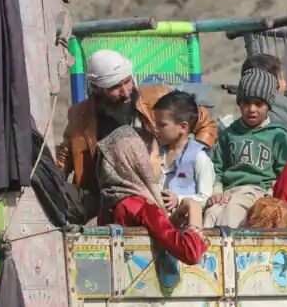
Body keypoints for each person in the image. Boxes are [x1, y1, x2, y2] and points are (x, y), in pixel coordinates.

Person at [56, 50, 218, 199]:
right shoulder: (80, 116)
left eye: (127, 82)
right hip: (103, 195)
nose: (126, 92)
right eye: (115, 87)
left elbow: (206, 124)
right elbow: (65, 157)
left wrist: (186, 159)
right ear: (97, 89)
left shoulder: (158, 97)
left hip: (154, 190)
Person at [95, 125, 207, 265]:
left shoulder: (109, 201)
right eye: (156, 155)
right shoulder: (142, 206)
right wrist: (194, 209)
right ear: (140, 161)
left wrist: (173, 219)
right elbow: (191, 253)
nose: (160, 161)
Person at [204, 69, 287, 228]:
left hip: (258, 192)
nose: (252, 109)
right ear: (239, 103)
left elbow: (286, 171)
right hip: (229, 192)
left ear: (268, 105)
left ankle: (229, 252)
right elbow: (217, 167)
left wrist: (275, 190)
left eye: (258, 104)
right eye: (246, 103)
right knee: (211, 213)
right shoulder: (229, 133)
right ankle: (203, 252)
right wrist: (217, 191)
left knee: (233, 211)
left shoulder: (277, 135)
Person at [153, 90, 213, 227]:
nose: (156, 129)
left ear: (183, 127)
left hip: (185, 228)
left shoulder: (199, 157)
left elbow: (206, 198)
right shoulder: (156, 153)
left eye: (162, 125)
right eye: (155, 124)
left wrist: (179, 200)